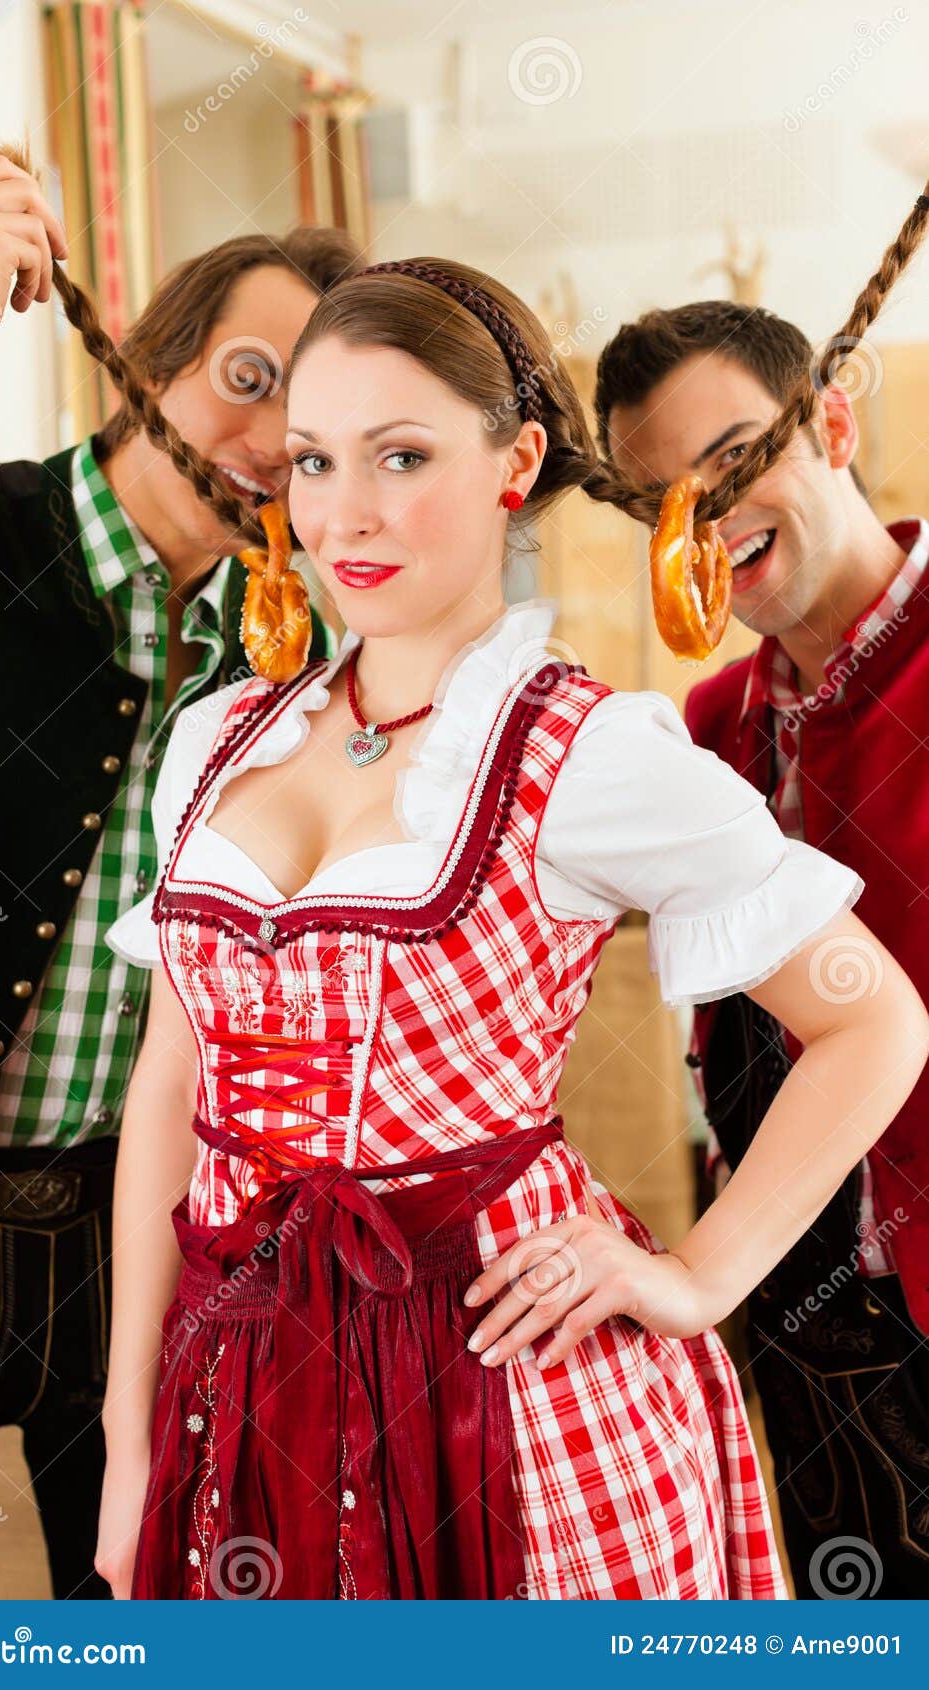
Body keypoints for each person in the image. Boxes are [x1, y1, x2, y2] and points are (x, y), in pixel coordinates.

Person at [98, 256, 929, 1602]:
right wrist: (128, 1423)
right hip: (236, 1380)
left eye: (403, 453)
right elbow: (167, 1089)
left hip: (518, 1401)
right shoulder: (216, 742)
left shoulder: (590, 749)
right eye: (313, 460)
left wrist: (695, 1278)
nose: (346, 512)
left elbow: (874, 1016)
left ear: (513, 462)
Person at [0, 146, 359, 1598]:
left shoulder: (293, 671)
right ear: (146, 356)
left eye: (316, 427)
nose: (271, 445)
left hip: (142, 1252)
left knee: (148, 1607)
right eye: (248, 377)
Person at [595, 298, 929, 1598]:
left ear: (833, 423)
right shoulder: (712, 718)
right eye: (659, 499)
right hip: (813, 1326)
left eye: (735, 459)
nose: (705, 516)